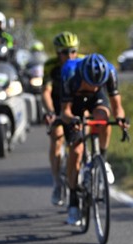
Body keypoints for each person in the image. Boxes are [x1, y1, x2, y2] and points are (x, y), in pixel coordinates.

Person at [60, 53, 128, 225]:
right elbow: (65, 112)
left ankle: (102, 159)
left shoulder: (109, 73)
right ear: (84, 76)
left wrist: (120, 120)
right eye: (91, 84)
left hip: (96, 101)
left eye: (97, 84)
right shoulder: (70, 73)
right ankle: (73, 199)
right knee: (76, 151)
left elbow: (117, 107)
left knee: (103, 117)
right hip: (74, 102)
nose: (94, 87)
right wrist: (73, 120)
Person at [42, 31, 82, 206]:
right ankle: (57, 182)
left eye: (73, 51)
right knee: (56, 137)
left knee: (82, 136)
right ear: (58, 53)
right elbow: (46, 92)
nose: (69, 56)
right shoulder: (51, 66)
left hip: (78, 105)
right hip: (59, 105)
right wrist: (50, 111)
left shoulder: (82, 62)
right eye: (65, 52)